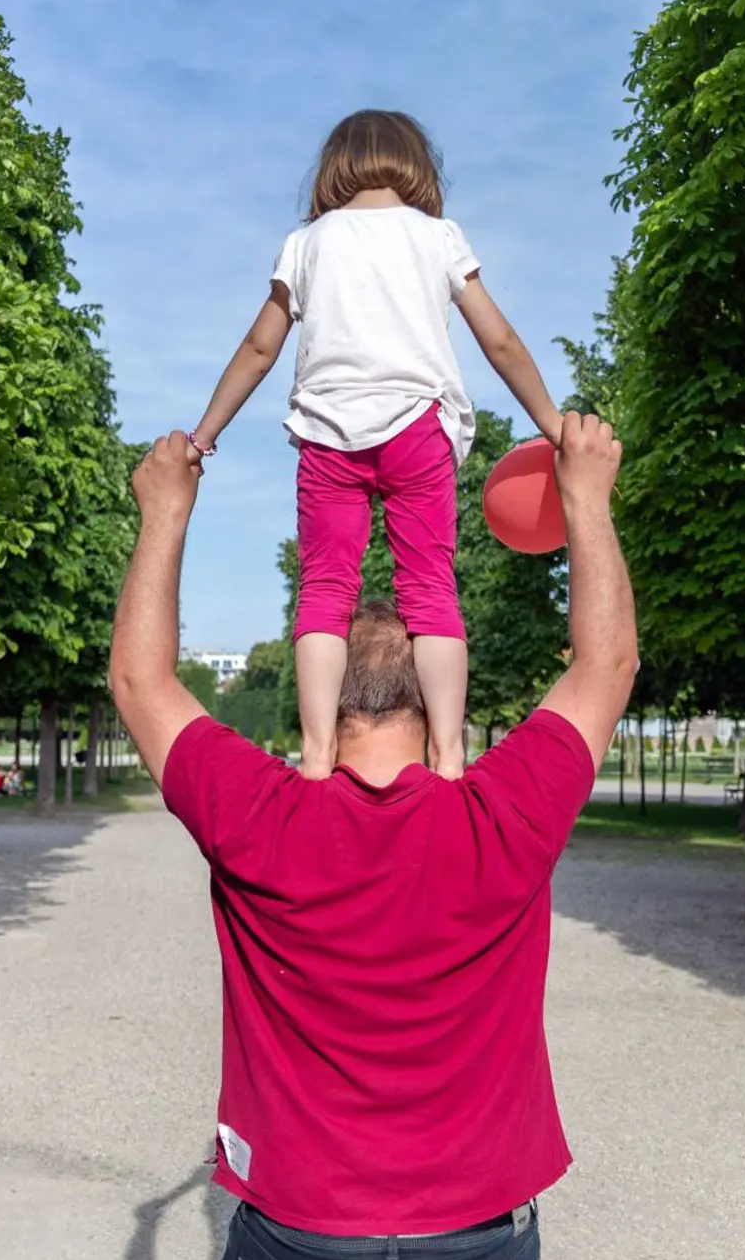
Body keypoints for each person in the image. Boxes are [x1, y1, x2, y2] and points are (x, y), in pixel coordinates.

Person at [110, 415, 635, 1260]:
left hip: (302, 1250)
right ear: (439, 702)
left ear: (321, 699)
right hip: (478, 1249)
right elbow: (605, 664)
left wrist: (165, 511)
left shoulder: (262, 818)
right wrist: (588, 503)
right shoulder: (502, 815)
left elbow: (142, 680)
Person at [185, 111, 568, 782]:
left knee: (325, 590)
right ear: (419, 167)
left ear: (334, 167)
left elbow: (259, 347)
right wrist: (553, 422)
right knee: (430, 588)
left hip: (328, 433)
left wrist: (204, 434)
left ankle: (316, 755)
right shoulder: (437, 237)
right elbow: (498, 340)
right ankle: (449, 756)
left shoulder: (306, 243)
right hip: (417, 426)